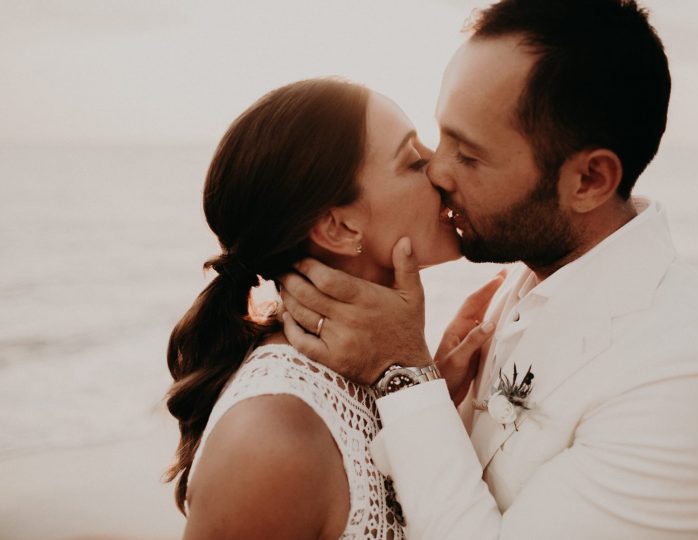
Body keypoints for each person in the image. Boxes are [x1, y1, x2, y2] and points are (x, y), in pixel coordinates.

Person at [279, 1, 698, 538]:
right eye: (442, 136)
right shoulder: (530, 278)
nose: (436, 171)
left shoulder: (687, 384)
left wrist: (403, 376)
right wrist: (435, 396)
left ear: (589, 181)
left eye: (468, 155)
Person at [163, 78, 497, 539]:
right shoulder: (271, 436)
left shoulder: (368, 376)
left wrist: (426, 397)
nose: (440, 170)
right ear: (339, 227)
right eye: (413, 160)